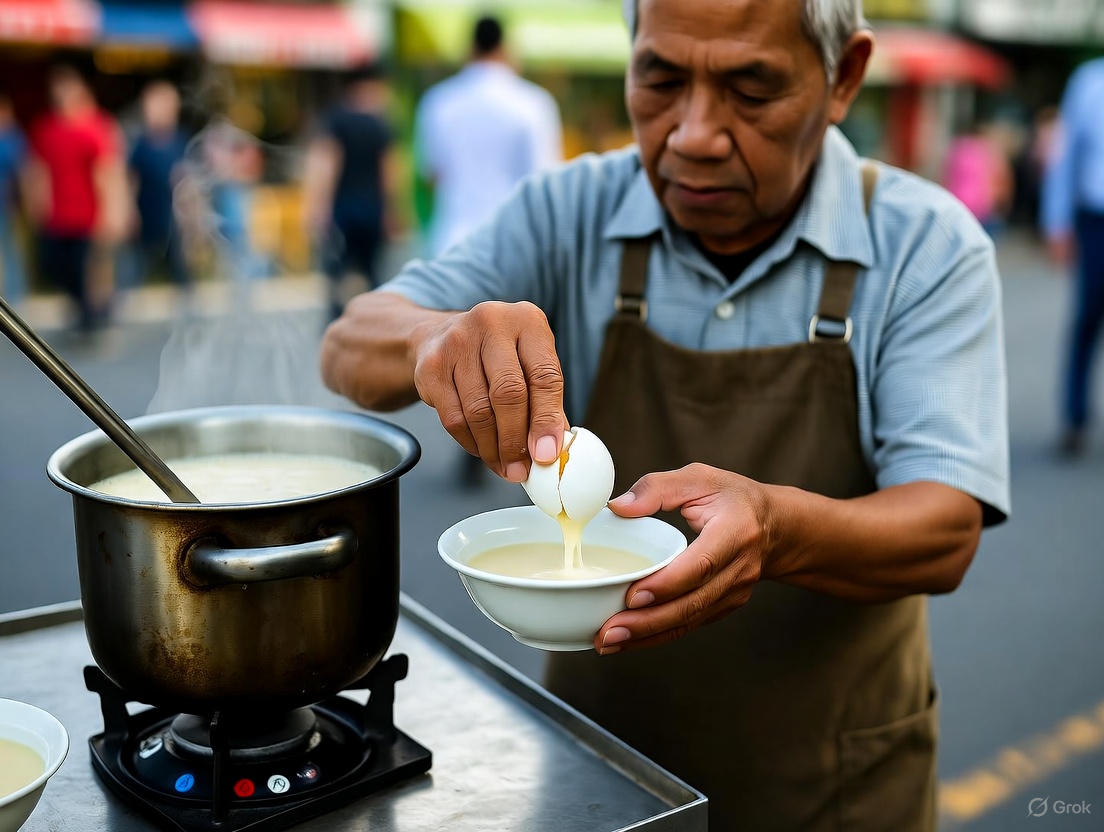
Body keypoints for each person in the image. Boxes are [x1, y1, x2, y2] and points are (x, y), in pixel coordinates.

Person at [321, 0, 1010, 828]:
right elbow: (349, 347)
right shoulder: (570, 211)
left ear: (843, 78)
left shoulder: (924, 247)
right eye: (659, 78)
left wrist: (775, 528)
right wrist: (434, 339)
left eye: (751, 89)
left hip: (837, 783)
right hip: (604, 776)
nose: (694, 134)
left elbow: (943, 529)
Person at [414, 14, 562, 257]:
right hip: (514, 247)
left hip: (451, 242)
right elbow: (543, 179)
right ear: (505, 47)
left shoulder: (438, 101)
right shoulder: (534, 103)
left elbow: (431, 174)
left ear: (471, 48)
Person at [27, 66, 127, 332]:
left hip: (89, 214)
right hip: (59, 215)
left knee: (91, 271)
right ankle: (86, 311)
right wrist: (37, 204)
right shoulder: (46, 129)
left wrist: (113, 212)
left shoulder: (97, 126)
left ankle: (94, 318)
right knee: (58, 266)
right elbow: (38, 171)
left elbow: (109, 173)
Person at [304, 61, 399, 321]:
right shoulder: (381, 124)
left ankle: (337, 328)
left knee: (338, 276)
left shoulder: (336, 119)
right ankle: (376, 326)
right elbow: (388, 173)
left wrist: (317, 208)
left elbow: (326, 165)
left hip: (343, 212)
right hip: (372, 211)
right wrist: (391, 212)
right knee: (374, 275)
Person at [1042, 57, 1104, 457]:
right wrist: (1057, 219)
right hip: (1095, 218)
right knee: (1087, 317)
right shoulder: (1089, 81)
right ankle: (1074, 417)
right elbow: (1065, 157)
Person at [128, 80, 191, 294]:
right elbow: (132, 179)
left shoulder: (180, 141)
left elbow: (186, 180)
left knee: (180, 266)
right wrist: (130, 210)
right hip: (146, 214)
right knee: (138, 266)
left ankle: (187, 305)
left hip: (172, 215)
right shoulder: (141, 143)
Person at [944, 121, 1013, 237]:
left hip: (958, 201)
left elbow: (948, 175)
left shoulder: (958, 149)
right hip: (983, 204)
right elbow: (1001, 178)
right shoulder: (990, 150)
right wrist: (1005, 201)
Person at [0, 92, 28, 306]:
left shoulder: (14, 138)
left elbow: (22, 172)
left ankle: (16, 297)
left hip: (7, 205)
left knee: (11, 250)